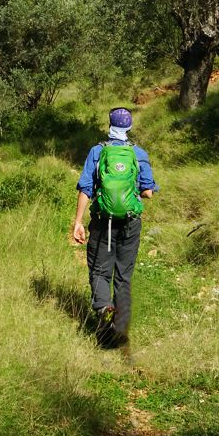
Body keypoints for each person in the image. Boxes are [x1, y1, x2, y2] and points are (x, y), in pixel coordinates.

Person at [73, 107, 158, 351]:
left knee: (99, 271)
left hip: (102, 221)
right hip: (130, 222)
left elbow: (86, 188)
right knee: (124, 274)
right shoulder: (138, 153)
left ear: (109, 124)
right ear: (129, 127)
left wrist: (78, 222)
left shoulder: (98, 152)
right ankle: (119, 327)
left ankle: (103, 307)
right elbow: (148, 192)